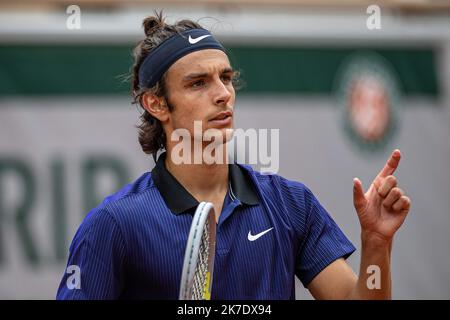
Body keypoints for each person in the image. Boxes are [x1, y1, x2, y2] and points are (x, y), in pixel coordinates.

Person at [56, 12, 410, 300]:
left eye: (226, 78)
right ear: (157, 103)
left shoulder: (292, 203)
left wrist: (377, 243)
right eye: (198, 83)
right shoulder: (113, 224)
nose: (224, 93)